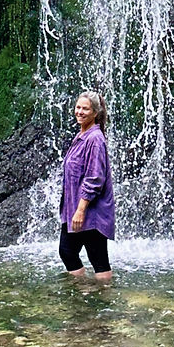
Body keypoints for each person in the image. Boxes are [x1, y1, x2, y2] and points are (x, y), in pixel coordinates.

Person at [58, 89, 115, 282]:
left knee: (98, 259)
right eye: (78, 107)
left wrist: (81, 210)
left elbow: (95, 179)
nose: (80, 112)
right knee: (67, 252)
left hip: (90, 212)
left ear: (95, 113)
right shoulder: (83, 135)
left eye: (85, 109)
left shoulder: (95, 139)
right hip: (75, 209)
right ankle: (86, 292)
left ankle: (104, 299)